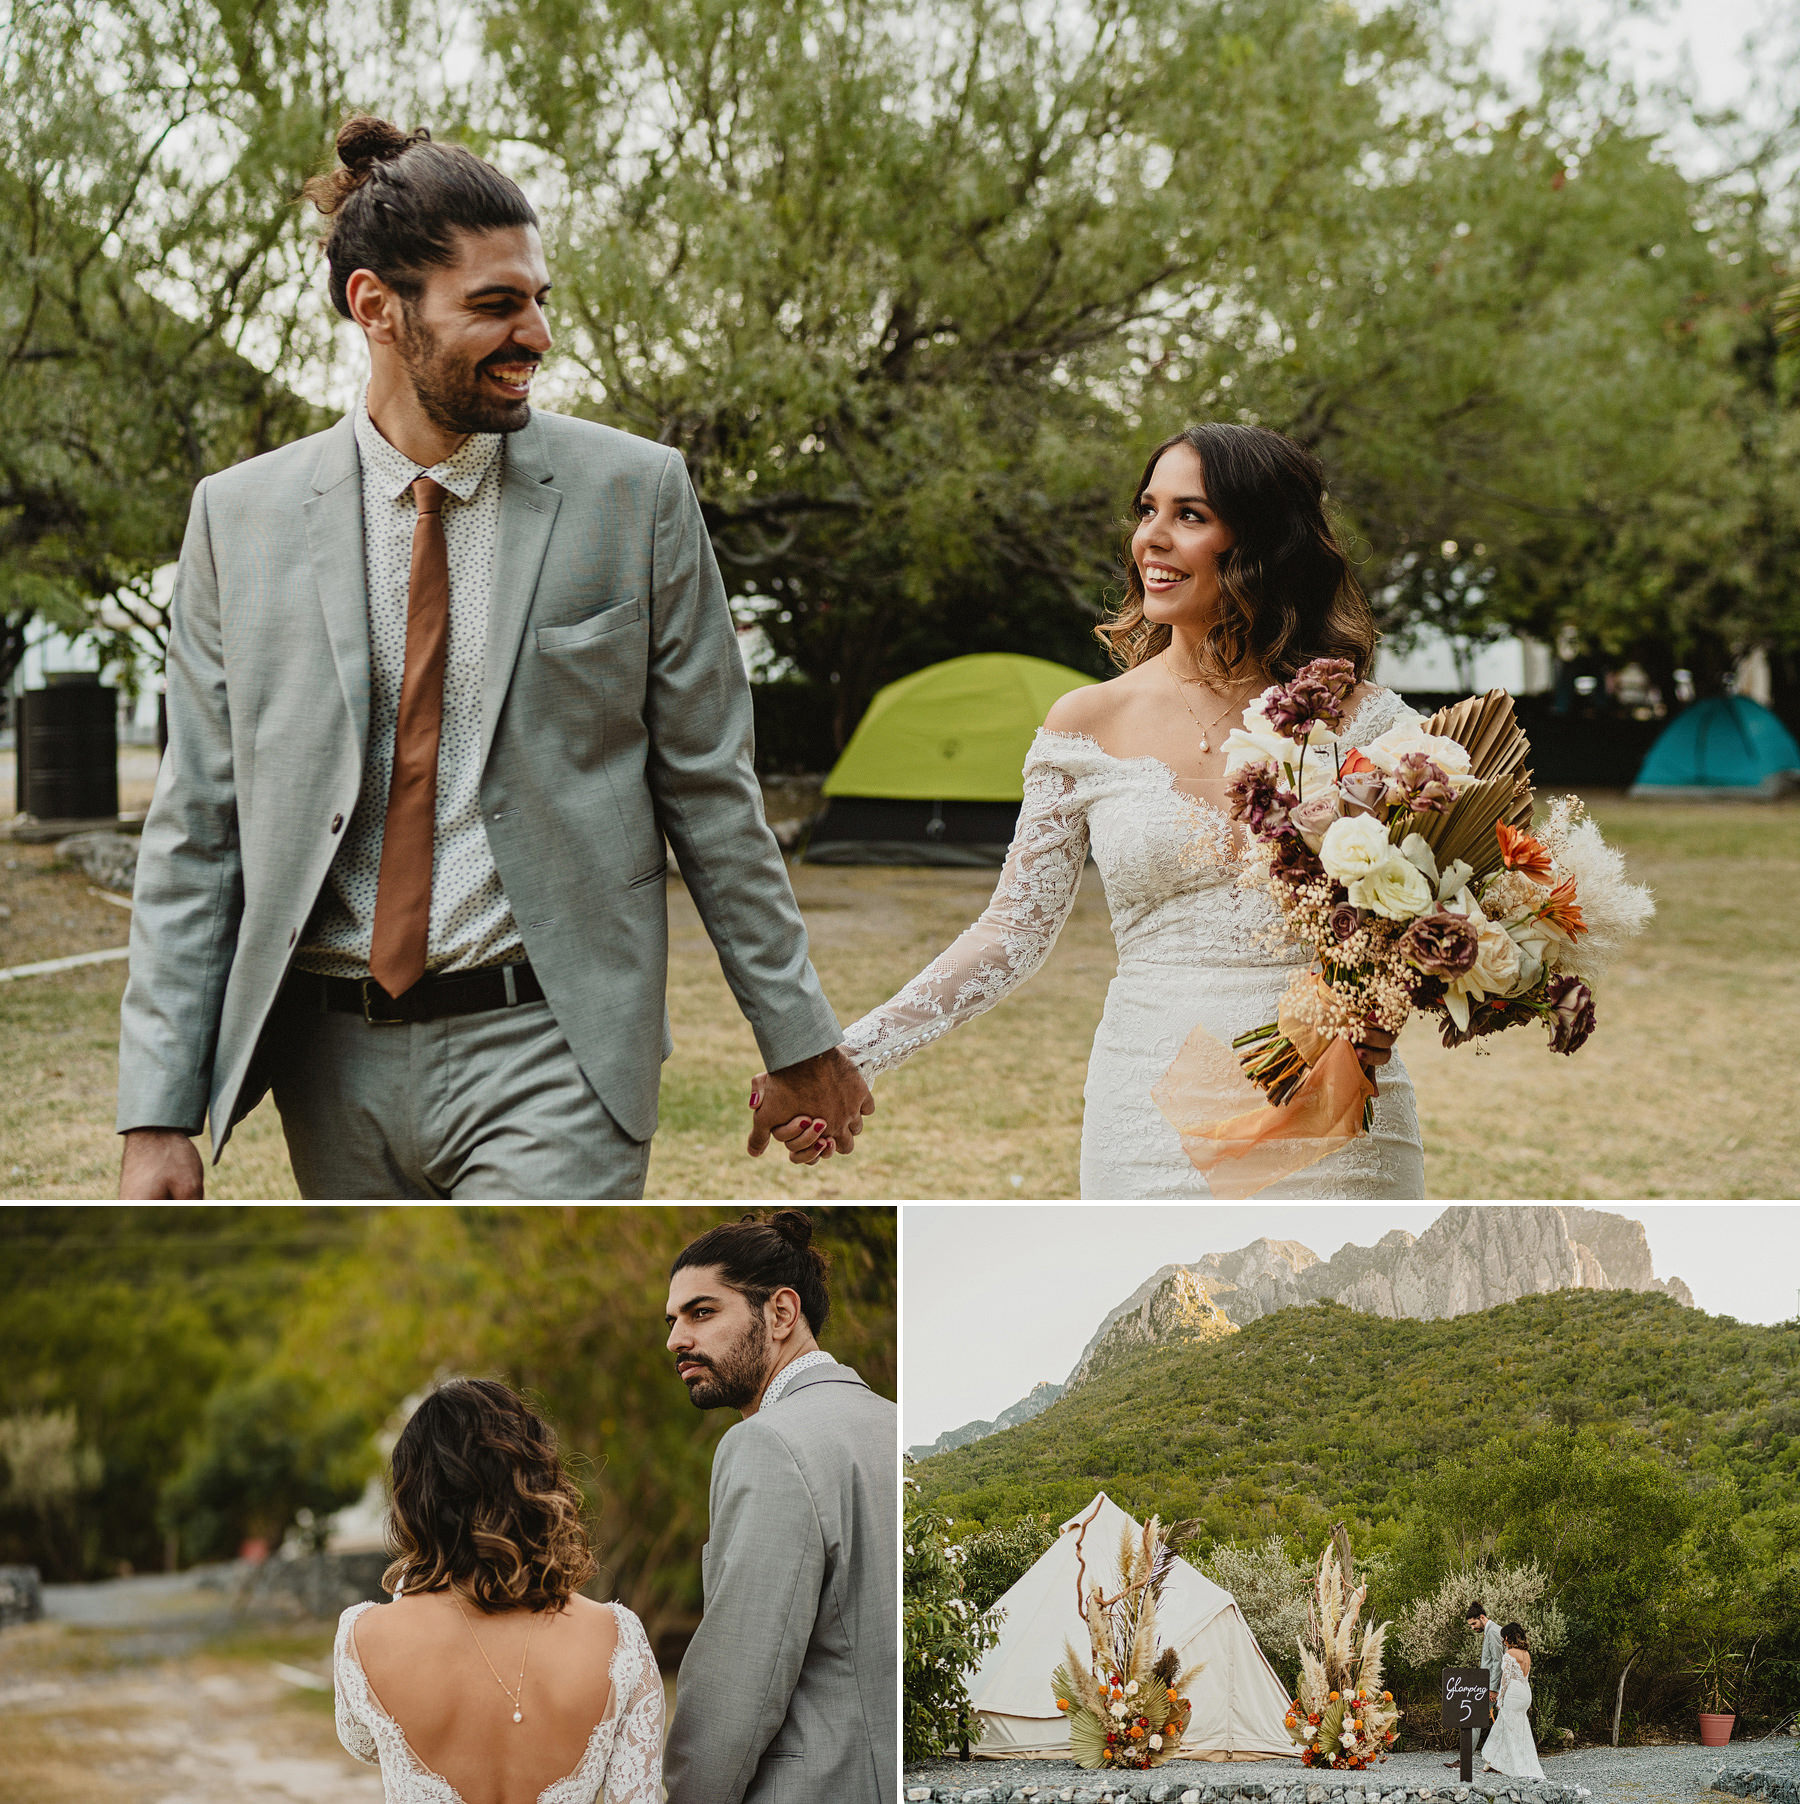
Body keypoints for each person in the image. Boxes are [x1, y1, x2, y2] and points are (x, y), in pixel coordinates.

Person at [115, 113, 870, 1201]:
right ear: (375, 306)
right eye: (494, 305)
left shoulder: (637, 497)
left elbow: (712, 790)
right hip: (324, 1063)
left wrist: (795, 1034)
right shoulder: (237, 520)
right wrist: (157, 1115)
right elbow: (198, 831)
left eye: (539, 300)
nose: (537, 337)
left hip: (553, 1045)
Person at [807, 422, 1425, 1196]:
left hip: (1338, 1110)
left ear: (1265, 542)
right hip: (1148, 1108)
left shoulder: (1370, 724)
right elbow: (1011, 933)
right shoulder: (1085, 724)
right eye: (1147, 510)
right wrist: (848, 1054)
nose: (1151, 540)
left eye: (1190, 516)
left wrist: (1378, 1017)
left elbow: (1443, 913)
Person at [333, 1378, 662, 1803]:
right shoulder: (617, 1637)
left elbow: (364, 1743)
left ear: (415, 1498)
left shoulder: (363, 1636)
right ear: (538, 1483)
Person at [663, 1210, 896, 1804]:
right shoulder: (895, 1425)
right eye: (673, 1320)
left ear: (781, 1314)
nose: (675, 1340)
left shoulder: (767, 1442)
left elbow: (739, 1685)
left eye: (702, 1312)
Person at [1481, 1623, 1545, 1781]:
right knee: (1516, 1727)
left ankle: (1514, 1765)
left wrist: (1499, 1699)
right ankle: (1492, 1762)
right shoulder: (1526, 1654)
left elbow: (1505, 1679)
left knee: (1509, 1729)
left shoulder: (1509, 1654)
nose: (1503, 1641)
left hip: (1514, 1694)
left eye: (1504, 1638)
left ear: (1508, 1637)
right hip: (1525, 1693)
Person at [1446, 1601, 1505, 1765]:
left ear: (1482, 1617)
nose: (1472, 1627)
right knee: (1479, 1721)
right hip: (1487, 1685)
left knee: (1473, 1720)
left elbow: (1498, 1662)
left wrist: (1493, 1689)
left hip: (1492, 1687)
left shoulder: (1493, 1632)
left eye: (1473, 1623)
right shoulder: (1490, 1631)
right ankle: (1478, 1760)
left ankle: (1465, 1761)